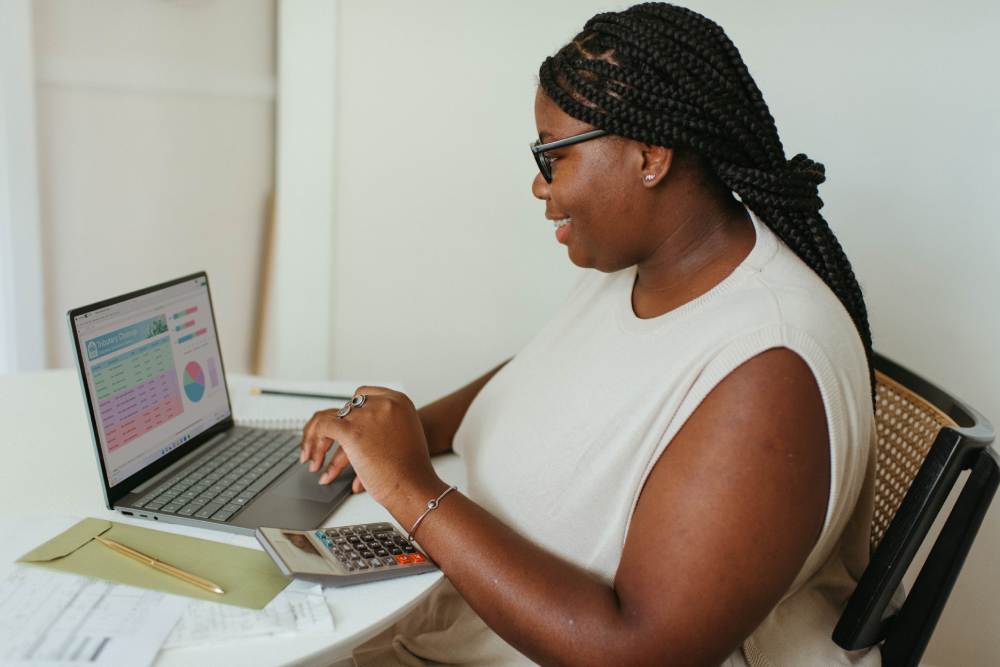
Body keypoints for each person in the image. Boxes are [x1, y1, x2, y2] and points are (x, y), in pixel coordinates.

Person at [299, 3, 877, 665]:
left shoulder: (769, 370)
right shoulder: (646, 268)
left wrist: (408, 484)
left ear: (650, 156)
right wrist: (405, 434)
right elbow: (545, 375)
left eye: (553, 157)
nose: (539, 186)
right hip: (447, 617)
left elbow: (641, 650)